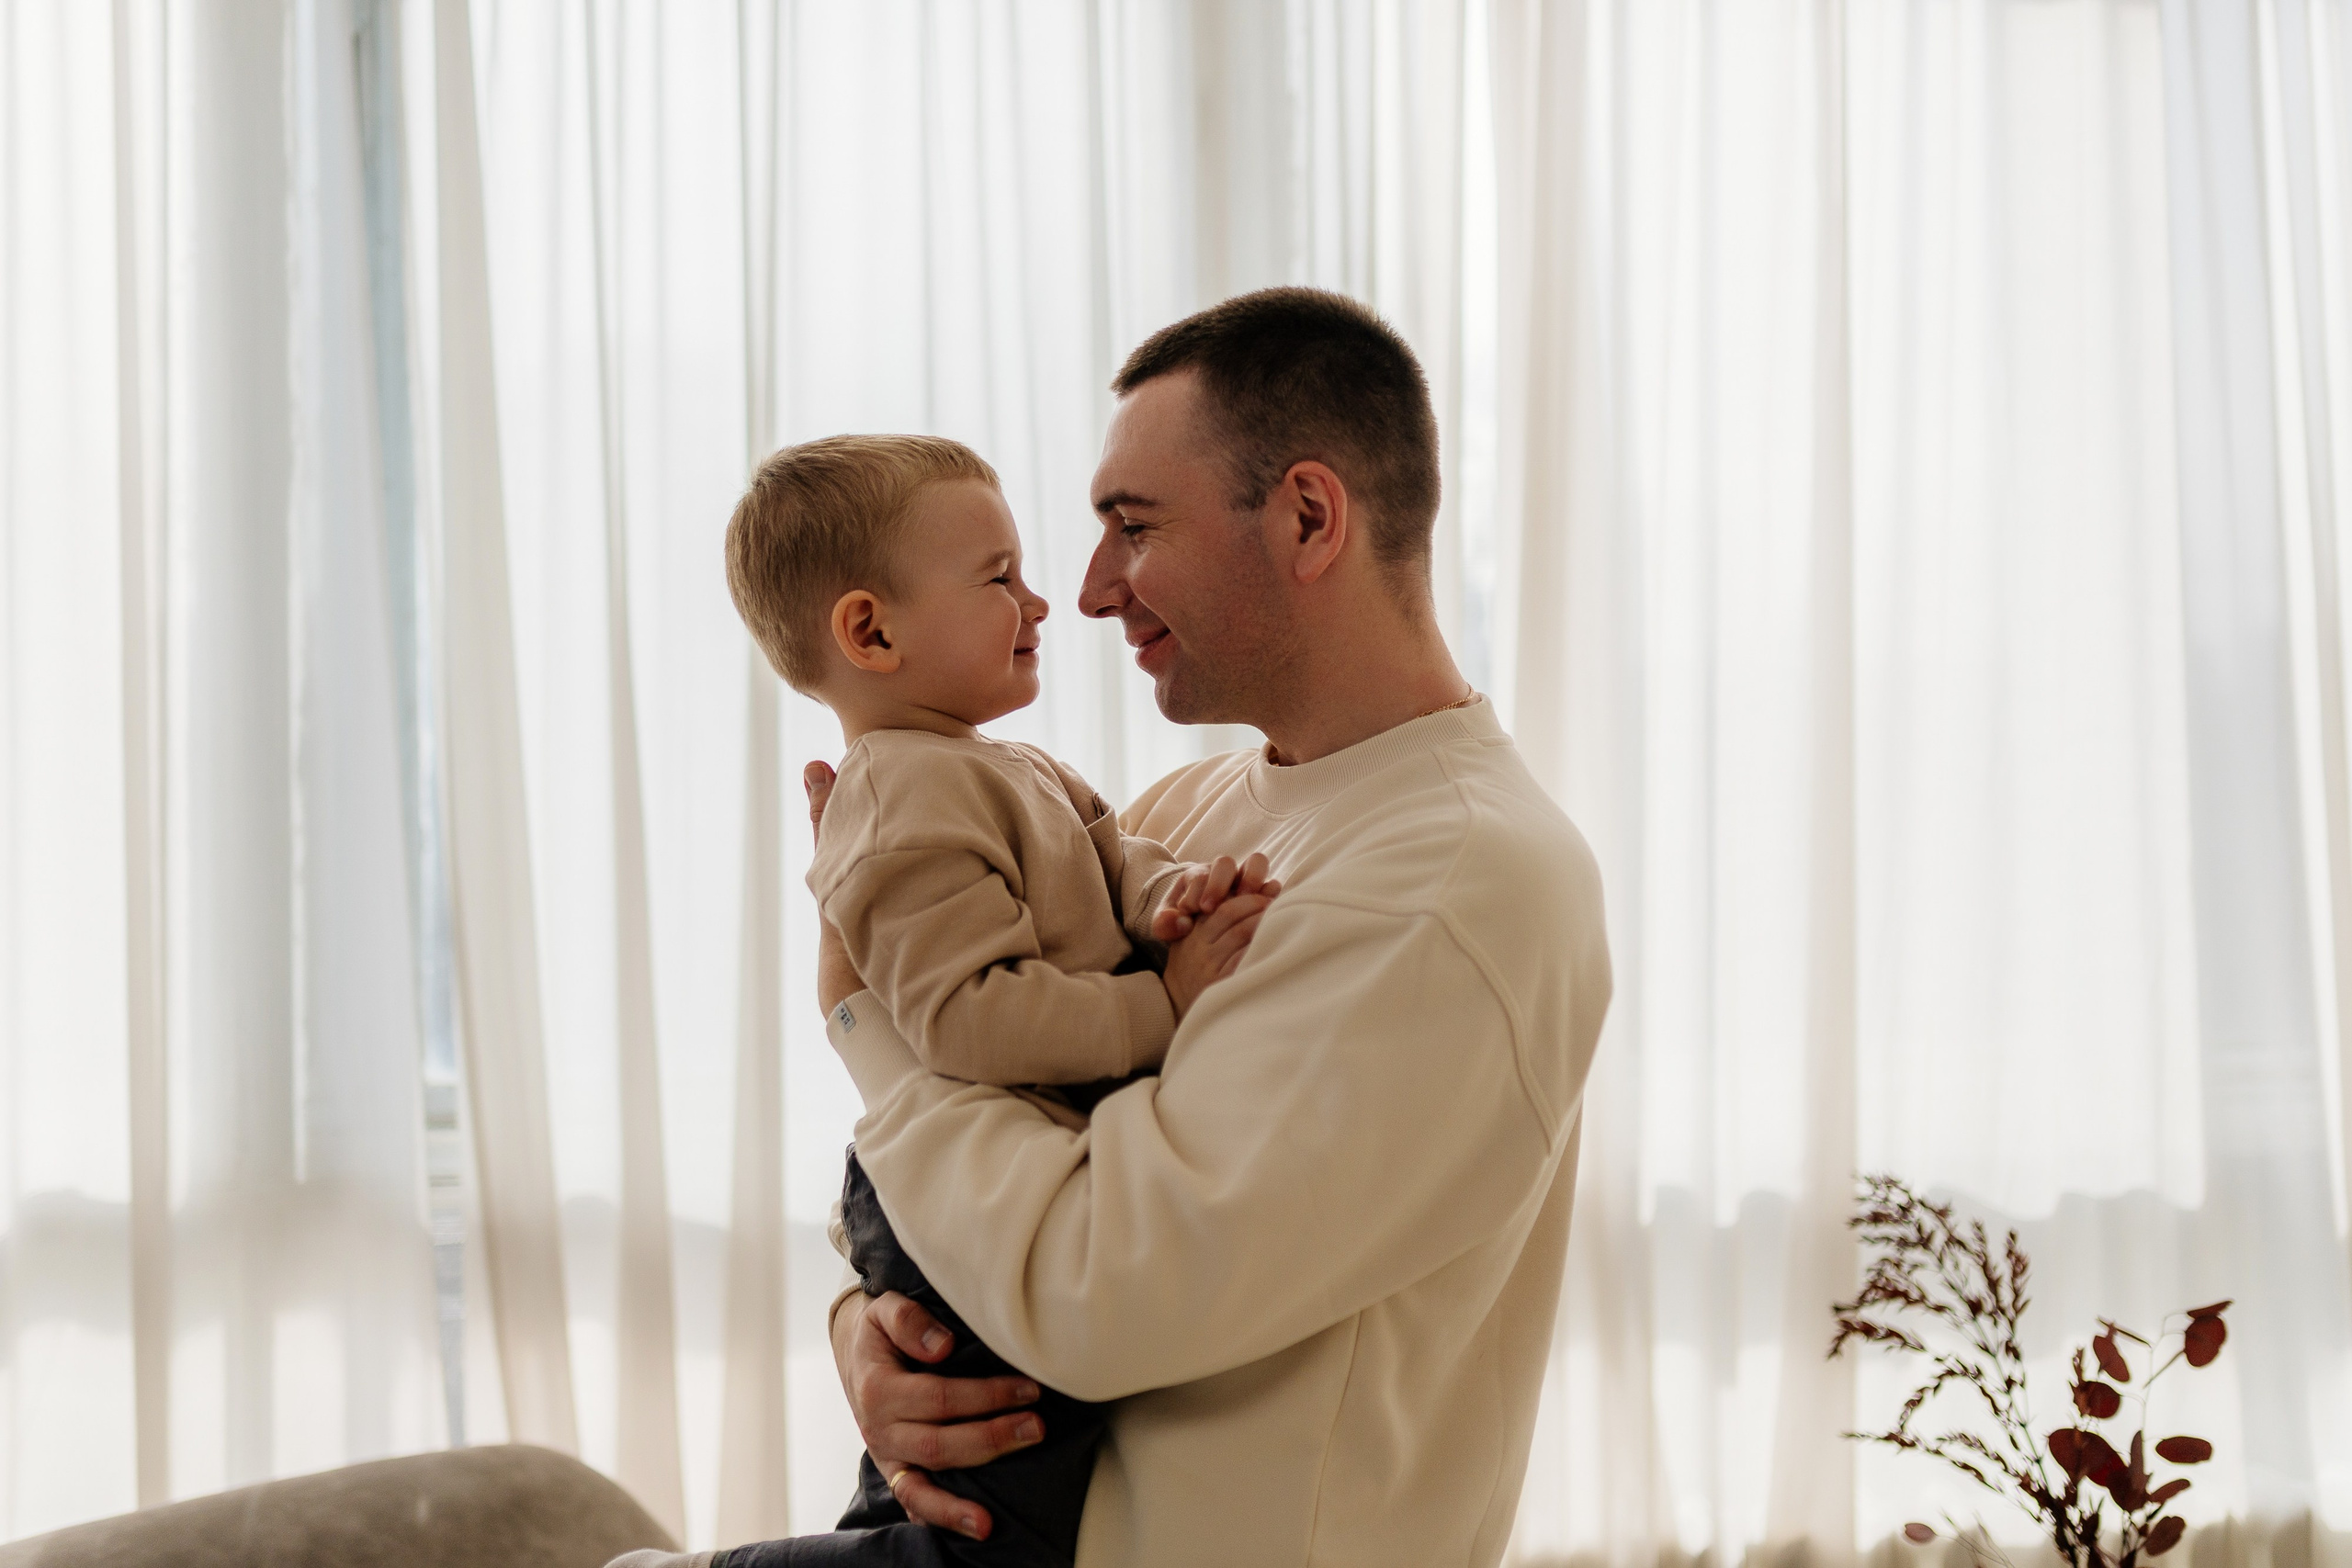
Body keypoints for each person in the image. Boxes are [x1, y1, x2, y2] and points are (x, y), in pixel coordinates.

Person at [812, 288, 1612, 1568]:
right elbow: (993, 1138)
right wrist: (867, 1333)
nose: (1080, 593)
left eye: (1132, 525)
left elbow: (1087, 1286)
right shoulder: (1192, 812)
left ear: (1307, 516)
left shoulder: (1456, 880)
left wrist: (864, 1019)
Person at [632, 434, 1279, 1568]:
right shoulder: (893, 803)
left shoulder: (1014, 769)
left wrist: (1184, 897)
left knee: (949, 1508)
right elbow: (968, 1020)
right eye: (999, 578)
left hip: (988, 1174)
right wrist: (1163, 1007)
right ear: (870, 631)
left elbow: (1122, 866)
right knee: (978, 1538)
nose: (1043, 600)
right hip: (941, 1212)